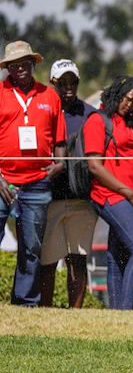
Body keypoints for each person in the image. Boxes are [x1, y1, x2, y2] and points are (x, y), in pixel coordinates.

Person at [0, 41, 66, 306]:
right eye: (14, 64)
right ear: (8, 68)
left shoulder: (50, 95)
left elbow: (60, 141)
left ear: (33, 64)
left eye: (24, 63)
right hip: (3, 180)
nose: (19, 68)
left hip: (38, 183)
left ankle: (24, 303)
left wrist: (59, 164)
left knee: (32, 247)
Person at [83, 75, 133, 310]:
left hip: (127, 196)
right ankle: (125, 310)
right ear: (116, 94)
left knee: (116, 254)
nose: (129, 104)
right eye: (127, 98)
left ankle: (115, 312)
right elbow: (94, 166)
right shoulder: (98, 120)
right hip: (110, 195)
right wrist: (127, 191)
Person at [39, 59, 98, 308]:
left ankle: (74, 313)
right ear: (54, 84)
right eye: (62, 83)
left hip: (81, 197)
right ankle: (45, 311)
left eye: (72, 81)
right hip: (49, 197)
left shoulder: (90, 114)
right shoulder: (44, 110)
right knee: (47, 260)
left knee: (78, 259)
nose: (68, 87)